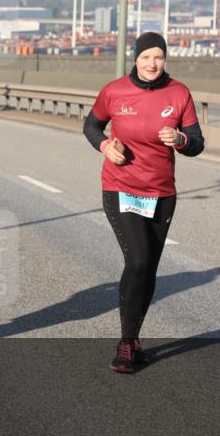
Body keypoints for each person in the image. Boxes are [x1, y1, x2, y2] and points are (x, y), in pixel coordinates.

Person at [83, 31, 204, 373]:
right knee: (137, 260)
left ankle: (134, 339)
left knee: (148, 266)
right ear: (135, 58)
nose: (152, 64)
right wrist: (105, 146)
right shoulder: (114, 90)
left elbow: (197, 142)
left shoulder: (179, 93)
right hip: (121, 187)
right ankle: (125, 343)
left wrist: (180, 139)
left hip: (162, 193)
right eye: (146, 57)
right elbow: (91, 126)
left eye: (159, 57)